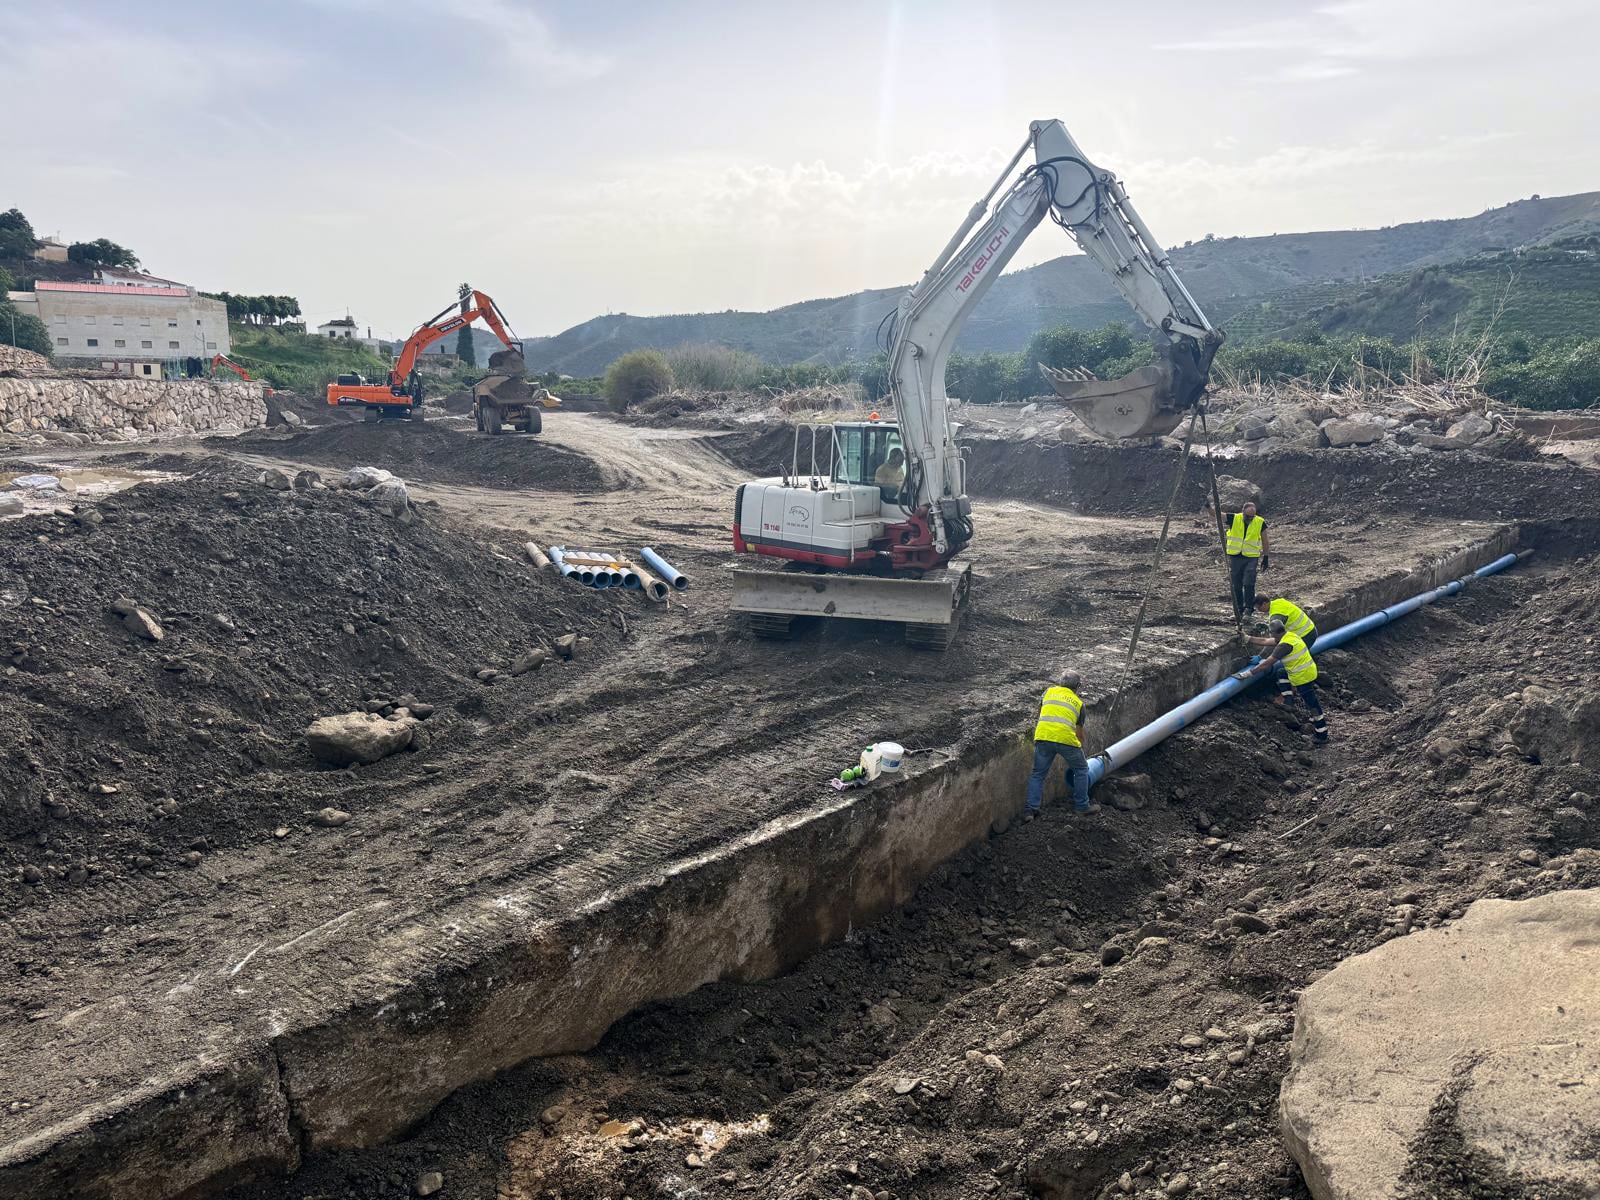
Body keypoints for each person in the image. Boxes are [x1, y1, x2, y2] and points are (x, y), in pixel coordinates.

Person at [1240, 616, 1328, 743]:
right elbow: (1265, 641)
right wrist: (1248, 638)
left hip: (1302, 677)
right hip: (1308, 670)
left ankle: (1321, 734)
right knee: (1281, 672)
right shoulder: (1289, 636)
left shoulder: (1284, 646)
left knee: (1312, 704)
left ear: (1274, 633)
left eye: (1272, 634)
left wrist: (1248, 673)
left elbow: (1267, 664)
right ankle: (1289, 700)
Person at [1025, 670, 1095, 819]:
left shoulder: (1048, 693)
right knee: (1081, 769)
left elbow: (1040, 714)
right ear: (1078, 686)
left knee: (1038, 773)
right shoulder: (1078, 704)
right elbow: (1079, 733)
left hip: (1043, 737)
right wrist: (1080, 750)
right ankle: (1082, 806)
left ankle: (1031, 810)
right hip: (1066, 740)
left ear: (1060, 682)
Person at [1225, 500, 1270, 618]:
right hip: (1235, 556)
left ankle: (1248, 609)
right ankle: (1239, 609)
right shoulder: (1234, 518)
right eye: (1248, 515)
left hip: (1251, 557)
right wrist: (1208, 506)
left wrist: (1266, 557)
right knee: (1236, 584)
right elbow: (1216, 515)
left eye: (1252, 516)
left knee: (1249, 582)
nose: (1250, 518)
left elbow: (1265, 540)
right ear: (1243, 511)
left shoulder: (1260, 522)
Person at [1252, 593, 1316, 648]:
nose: (1258, 610)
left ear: (1264, 604)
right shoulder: (1278, 602)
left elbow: (1276, 640)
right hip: (1310, 629)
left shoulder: (1276, 615)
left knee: (1293, 656)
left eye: (1258, 608)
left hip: (1306, 636)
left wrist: (1261, 656)